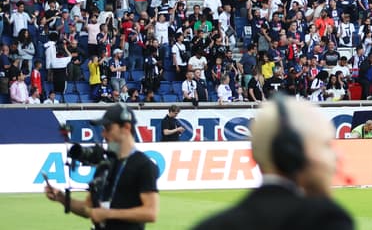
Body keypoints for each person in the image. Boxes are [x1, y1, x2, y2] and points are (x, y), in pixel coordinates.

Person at [191, 95, 352, 230]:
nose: (337, 156)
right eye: (326, 145)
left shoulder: (210, 226)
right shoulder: (326, 220)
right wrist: (321, 197)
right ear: (293, 151)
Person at [43, 102, 159, 230]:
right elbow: (88, 208)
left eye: (108, 128)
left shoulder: (143, 165)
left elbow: (150, 212)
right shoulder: (105, 165)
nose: (104, 134)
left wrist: (108, 214)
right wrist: (61, 197)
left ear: (126, 127)